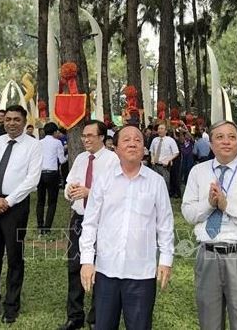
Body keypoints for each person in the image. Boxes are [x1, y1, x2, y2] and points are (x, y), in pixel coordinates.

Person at [80, 125, 174, 330]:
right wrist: (87, 261)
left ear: (144, 147)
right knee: (103, 325)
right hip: (106, 271)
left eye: (138, 140)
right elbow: (90, 223)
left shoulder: (156, 182)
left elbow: (165, 225)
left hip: (142, 273)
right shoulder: (103, 180)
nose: (132, 143)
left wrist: (166, 261)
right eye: (126, 140)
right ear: (115, 147)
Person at [181, 120, 237, 329]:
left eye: (232, 136)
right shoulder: (198, 172)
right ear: (210, 144)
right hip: (208, 254)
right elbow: (188, 213)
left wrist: (227, 205)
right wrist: (209, 204)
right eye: (219, 137)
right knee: (209, 321)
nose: (226, 142)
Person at [0, 105, 42, 325]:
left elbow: (32, 179)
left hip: (16, 206)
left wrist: (7, 202)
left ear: (24, 121)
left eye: (16, 119)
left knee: (14, 256)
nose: (11, 123)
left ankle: (11, 306)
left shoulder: (33, 145)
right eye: (8, 119)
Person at [58, 120, 119, 330]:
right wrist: (71, 191)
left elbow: (115, 193)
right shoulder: (82, 159)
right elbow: (69, 183)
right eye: (84, 135)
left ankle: (96, 318)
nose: (86, 139)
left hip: (103, 221)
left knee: (100, 268)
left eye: (90, 135)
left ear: (102, 137)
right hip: (79, 219)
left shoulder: (112, 160)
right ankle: (74, 316)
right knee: (75, 266)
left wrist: (89, 192)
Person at [38, 122, 67, 235]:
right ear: (55, 132)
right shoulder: (57, 143)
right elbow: (62, 159)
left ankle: (40, 225)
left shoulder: (39, 143)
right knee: (52, 202)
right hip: (52, 173)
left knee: (40, 201)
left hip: (40, 173)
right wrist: (67, 156)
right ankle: (47, 227)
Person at [149, 123, 179, 188]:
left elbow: (176, 152)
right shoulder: (154, 140)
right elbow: (152, 151)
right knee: (155, 183)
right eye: (159, 129)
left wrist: (168, 160)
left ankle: (165, 197)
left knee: (165, 184)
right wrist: (152, 158)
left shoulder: (170, 140)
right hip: (155, 166)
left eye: (162, 129)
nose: (160, 130)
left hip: (165, 167)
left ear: (166, 131)